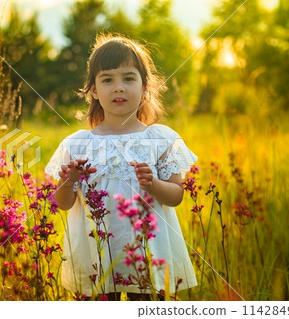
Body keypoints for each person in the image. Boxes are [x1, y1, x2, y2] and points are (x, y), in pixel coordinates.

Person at [45, 34, 197, 300]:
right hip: (98, 253)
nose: (118, 87)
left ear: (145, 86)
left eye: (128, 78)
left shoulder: (159, 138)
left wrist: (153, 184)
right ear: (93, 90)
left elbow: (176, 196)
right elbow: (63, 203)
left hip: (147, 251)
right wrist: (69, 180)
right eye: (107, 80)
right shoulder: (78, 144)